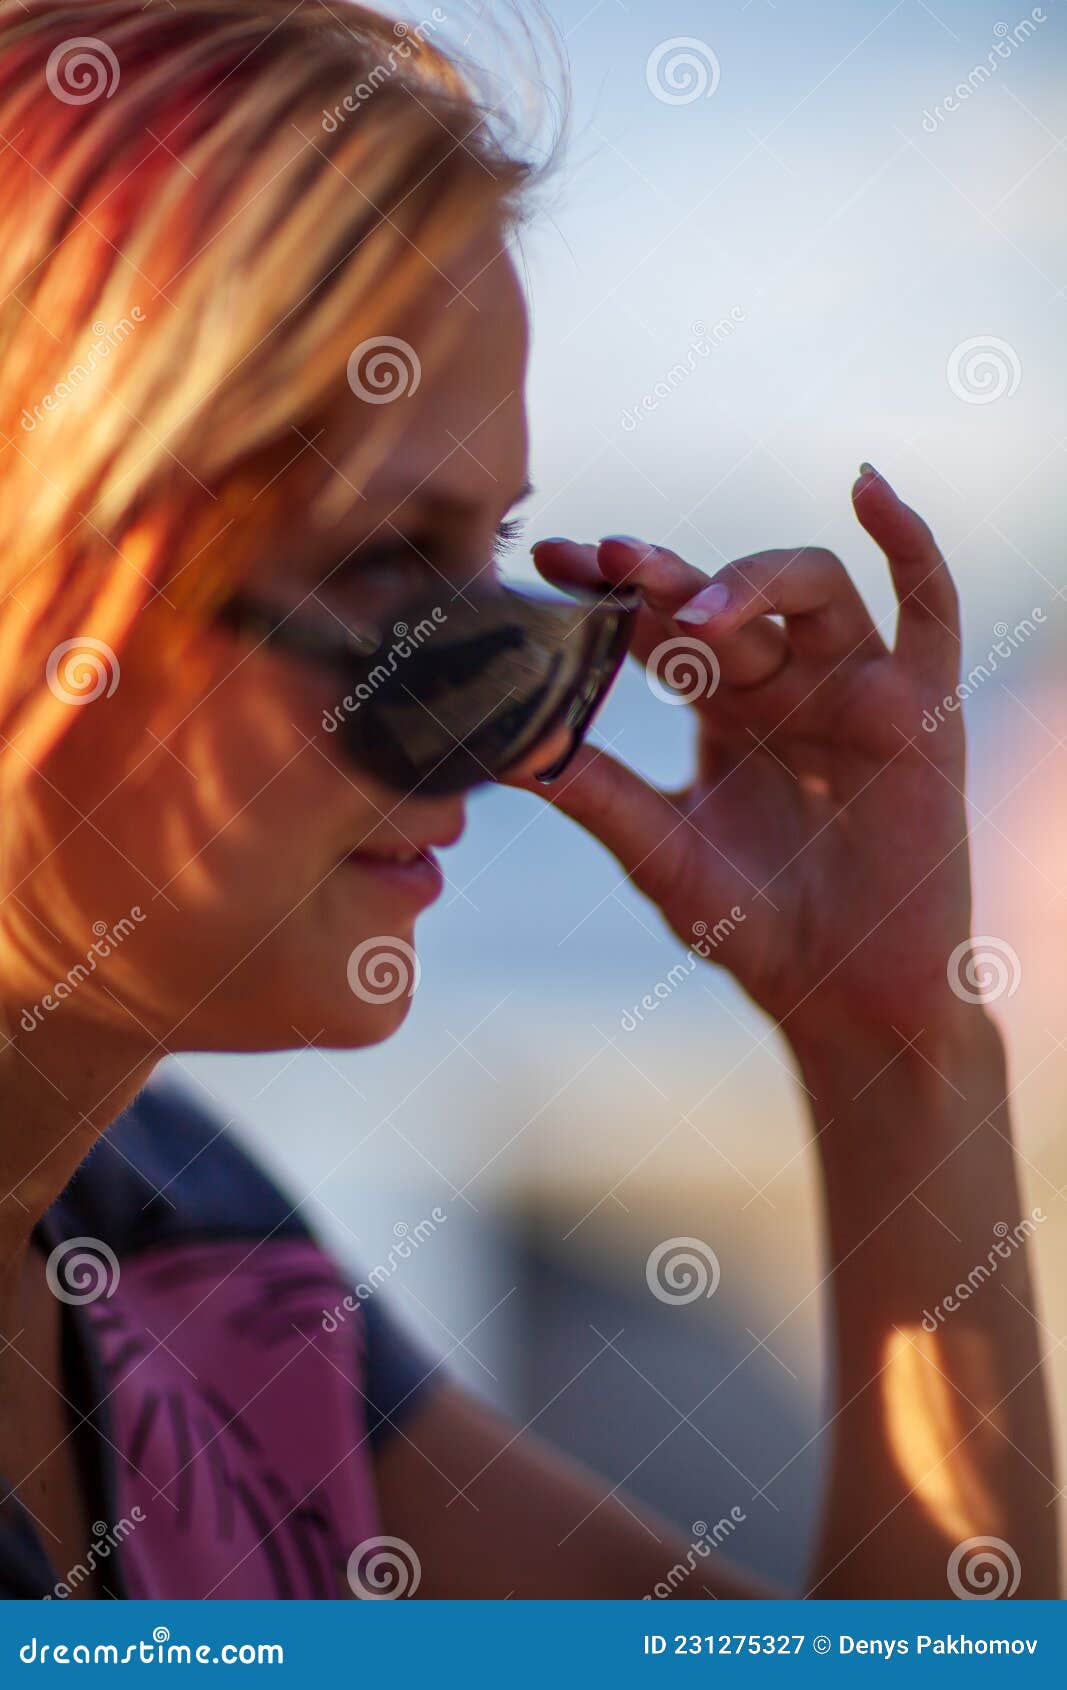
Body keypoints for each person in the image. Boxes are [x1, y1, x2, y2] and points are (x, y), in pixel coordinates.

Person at [0, 0, 1056, 1600]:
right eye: (388, 580)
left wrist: (891, 1046)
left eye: (499, 582)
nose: (510, 740)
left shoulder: (181, 1252)